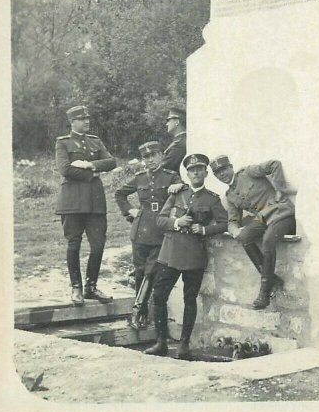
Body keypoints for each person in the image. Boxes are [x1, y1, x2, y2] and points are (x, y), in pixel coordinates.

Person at [144, 153, 227, 359]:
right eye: (191, 170)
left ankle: (183, 345)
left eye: (199, 169)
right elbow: (160, 220)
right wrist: (176, 223)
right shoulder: (176, 194)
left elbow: (224, 223)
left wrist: (205, 229)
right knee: (159, 296)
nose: (195, 173)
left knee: (189, 300)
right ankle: (161, 342)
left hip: (193, 256)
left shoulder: (212, 199)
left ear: (206, 173)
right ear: (187, 174)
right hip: (169, 254)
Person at [210, 156, 296, 310]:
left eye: (224, 169)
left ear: (231, 167)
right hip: (263, 219)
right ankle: (272, 279)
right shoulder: (230, 196)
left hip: (281, 212)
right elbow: (232, 221)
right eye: (217, 173)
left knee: (268, 240)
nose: (222, 174)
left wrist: (279, 189)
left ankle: (265, 291)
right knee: (245, 237)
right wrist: (235, 231)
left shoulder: (248, 172)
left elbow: (274, 164)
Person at [114, 141, 182, 330]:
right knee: (140, 271)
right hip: (140, 230)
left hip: (159, 231)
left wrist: (179, 187)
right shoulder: (140, 177)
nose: (150, 160)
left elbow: (183, 192)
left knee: (150, 272)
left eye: (153, 155)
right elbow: (120, 194)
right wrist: (130, 211)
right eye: (146, 157)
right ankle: (142, 311)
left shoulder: (172, 177)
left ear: (161, 155)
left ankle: (138, 311)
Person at [55, 105, 116, 305]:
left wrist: (90, 164)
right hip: (72, 202)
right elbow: (65, 169)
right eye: (82, 119)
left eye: (88, 118)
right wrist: (93, 174)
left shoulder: (95, 141)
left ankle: (91, 286)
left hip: (95, 202)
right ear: (73, 122)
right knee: (74, 244)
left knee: (98, 244)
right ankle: (76, 288)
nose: (87, 122)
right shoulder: (62, 143)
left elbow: (111, 162)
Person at [160, 107, 187, 173]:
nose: (167, 124)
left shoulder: (179, 144)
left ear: (177, 122)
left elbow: (164, 168)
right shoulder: (181, 140)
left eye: (169, 120)